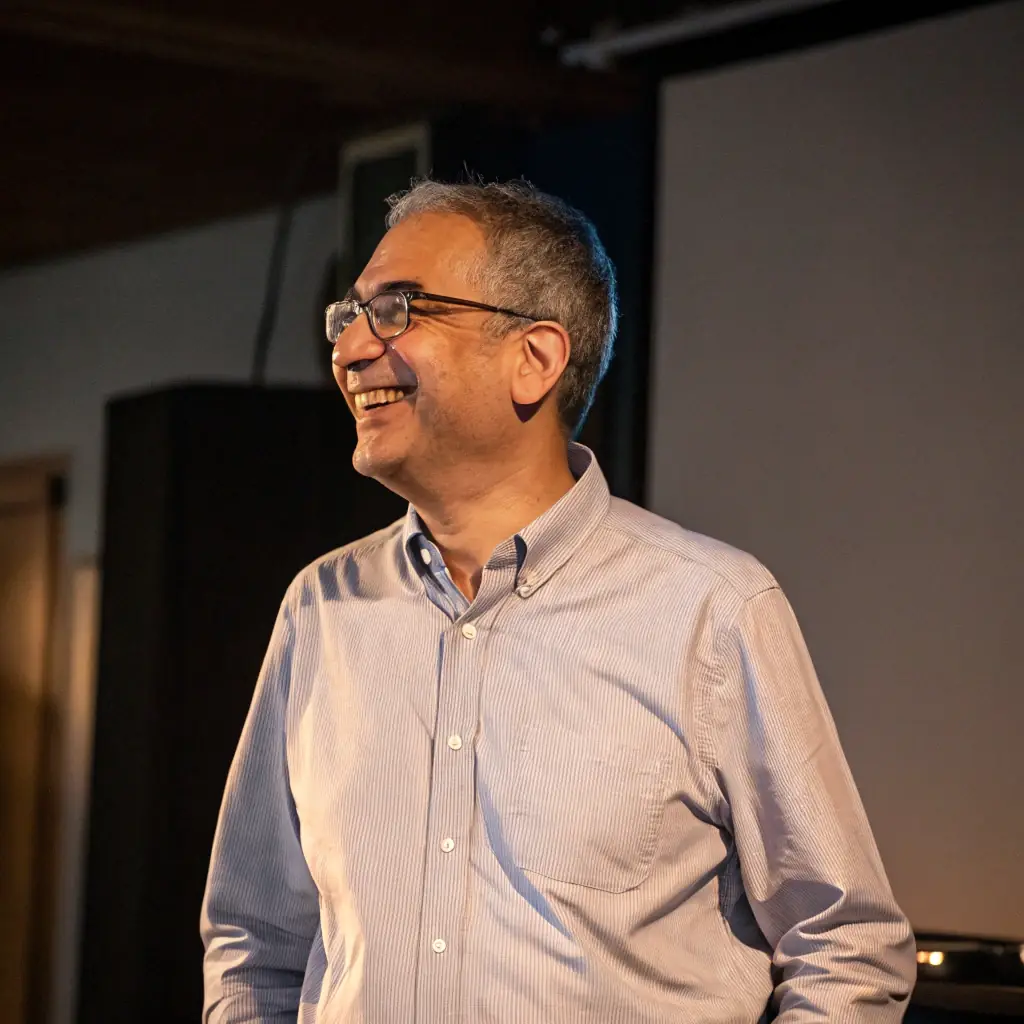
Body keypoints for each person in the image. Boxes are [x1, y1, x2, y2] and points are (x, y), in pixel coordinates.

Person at [201, 180, 916, 1023]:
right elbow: (255, 941)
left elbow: (846, 945)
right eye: (347, 315)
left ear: (534, 358)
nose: (351, 348)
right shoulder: (322, 606)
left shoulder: (710, 611)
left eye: (396, 309)